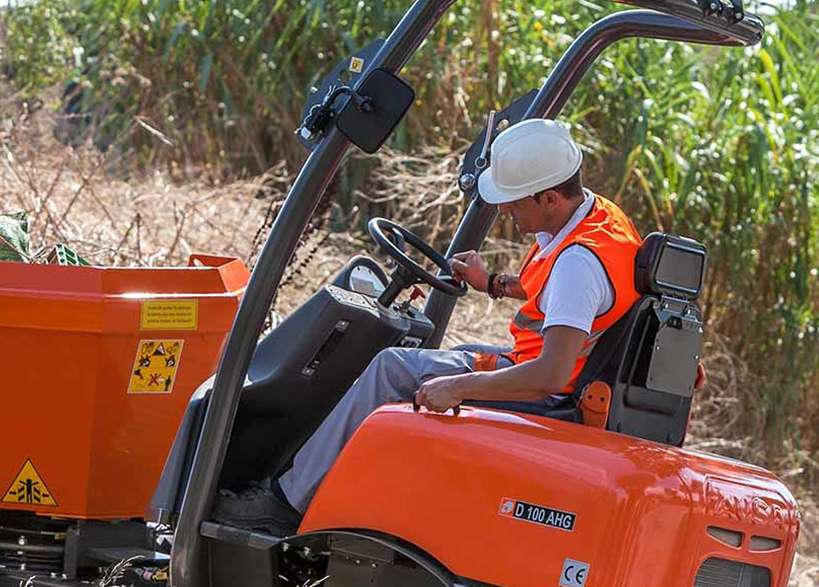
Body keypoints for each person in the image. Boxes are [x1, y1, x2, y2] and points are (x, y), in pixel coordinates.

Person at [214, 117, 643, 535]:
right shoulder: (598, 220)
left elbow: (549, 375)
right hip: (544, 370)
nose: (507, 209)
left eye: (515, 200)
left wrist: (460, 387)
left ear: (550, 198)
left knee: (390, 368)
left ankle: (285, 504)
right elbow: (562, 299)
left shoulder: (578, 265)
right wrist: (491, 283)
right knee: (432, 358)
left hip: (547, 393)